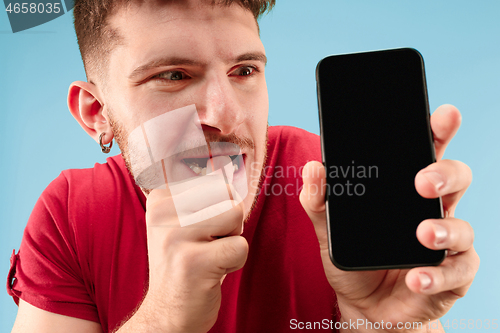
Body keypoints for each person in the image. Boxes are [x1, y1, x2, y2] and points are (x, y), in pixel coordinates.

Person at [7, 0, 479, 332]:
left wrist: (384, 328)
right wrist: (166, 320)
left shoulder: (329, 183)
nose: (224, 114)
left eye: (244, 71)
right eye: (174, 75)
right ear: (97, 114)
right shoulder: (72, 212)